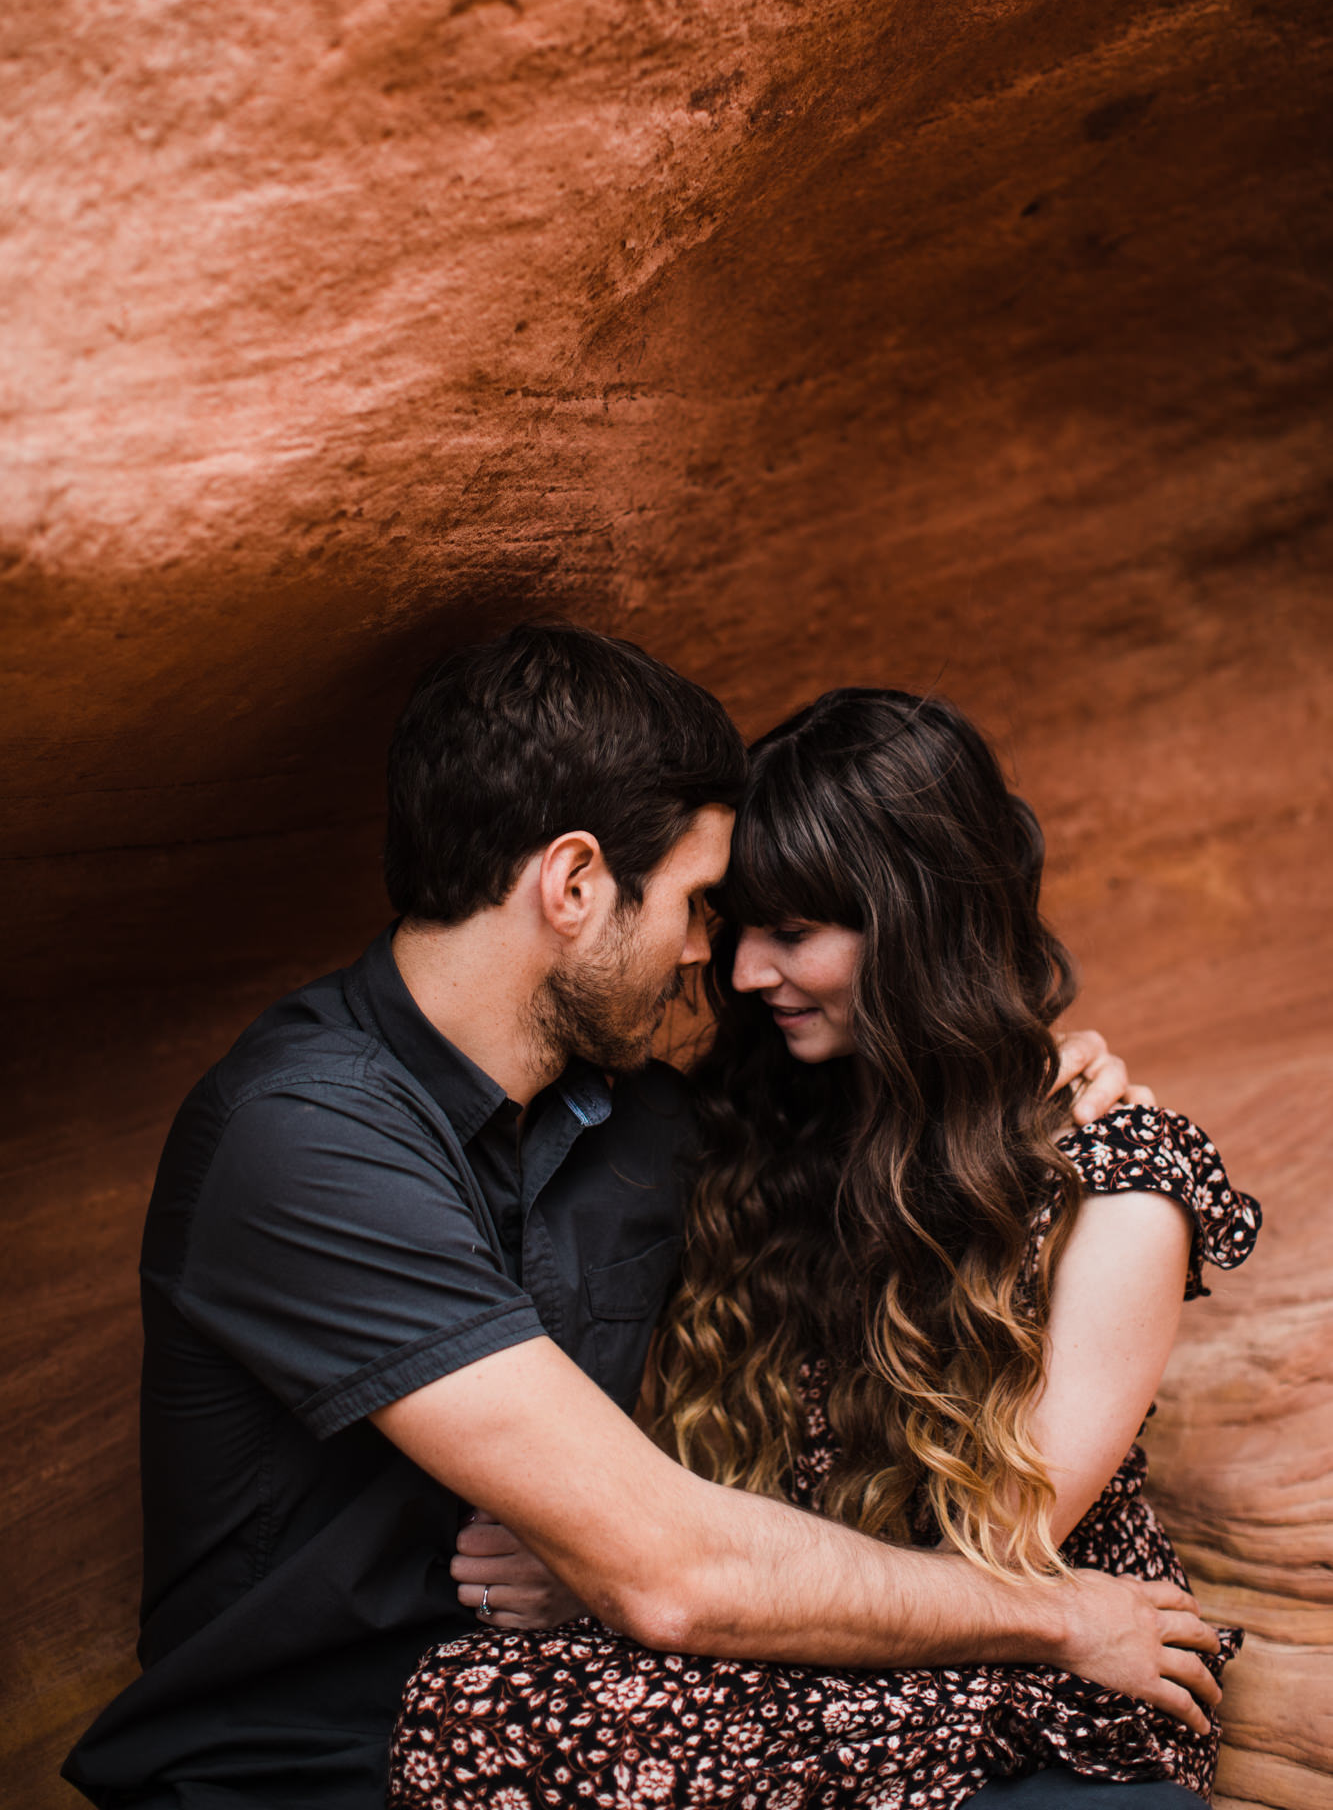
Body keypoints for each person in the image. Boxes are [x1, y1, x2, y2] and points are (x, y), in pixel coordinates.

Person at [64, 629, 1222, 1810]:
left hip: (615, 1698)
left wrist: (1031, 1092)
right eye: (701, 905)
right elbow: (667, 1566)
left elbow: (894, 1151)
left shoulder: (644, 1126)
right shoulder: (304, 1135)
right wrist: (1054, 1616)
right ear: (572, 886)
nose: (710, 956)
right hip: (316, 1758)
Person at [386, 684, 1260, 1810]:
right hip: (789, 1641)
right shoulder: (766, 1126)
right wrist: (622, 1561)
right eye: (739, 922)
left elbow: (997, 1550)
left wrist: (647, 1576)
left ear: (919, 924)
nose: (743, 970)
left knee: (515, 1727)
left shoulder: (1119, 1176)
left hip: (1025, 1664)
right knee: (463, 1705)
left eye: (794, 932)